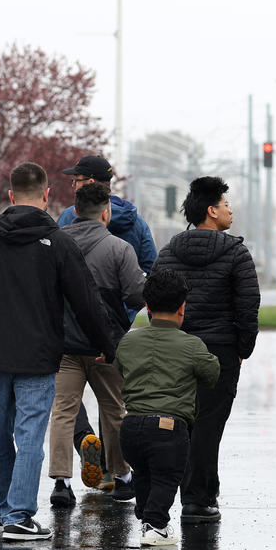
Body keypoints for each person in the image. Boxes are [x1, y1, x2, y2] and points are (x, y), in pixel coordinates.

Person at [0, 162, 114, 541]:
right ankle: (19, 515)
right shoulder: (57, 242)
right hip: (38, 357)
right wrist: (104, 344)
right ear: (46, 196)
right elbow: (85, 299)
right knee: (29, 437)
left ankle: (6, 511)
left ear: (10, 196)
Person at [153, 176, 259, 523]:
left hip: (175, 349)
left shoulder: (169, 251)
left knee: (181, 423)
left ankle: (176, 494)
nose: (232, 210)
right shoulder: (236, 253)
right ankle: (199, 499)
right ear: (212, 211)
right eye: (227, 205)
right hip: (219, 351)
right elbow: (247, 304)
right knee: (210, 425)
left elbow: (154, 296)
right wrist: (243, 346)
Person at [57, 154, 158, 492]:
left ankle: (74, 463)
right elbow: (148, 273)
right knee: (114, 404)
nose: (72, 185)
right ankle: (119, 472)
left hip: (69, 331)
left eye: (76, 180)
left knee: (64, 406)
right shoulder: (135, 224)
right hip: (113, 330)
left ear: (89, 183)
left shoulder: (65, 224)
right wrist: (121, 317)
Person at [115, 268, 220, 546]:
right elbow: (212, 374)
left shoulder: (128, 341)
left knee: (144, 473)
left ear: (147, 307)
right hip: (169, 427)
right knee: (166, 476)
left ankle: (147, 517)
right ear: (182, 308)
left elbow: (119, 368)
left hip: (131, 426)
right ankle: (157, 525)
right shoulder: (192, 345)